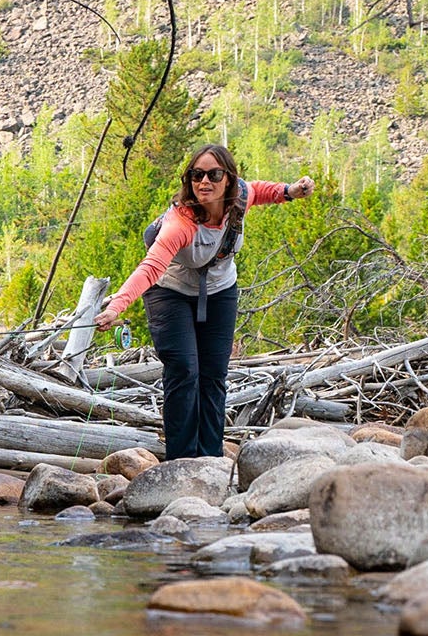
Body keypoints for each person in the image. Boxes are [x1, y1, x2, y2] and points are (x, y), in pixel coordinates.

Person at [93, 144, 315, 459]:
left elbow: (260, 191)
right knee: (184, 369)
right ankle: (181, 460)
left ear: (228, 179)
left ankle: (210, 460)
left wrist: (290, 191)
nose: (204, 182)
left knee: (213, 373)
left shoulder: (239, 195)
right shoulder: (180, 223)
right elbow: (151, 267)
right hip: (169, 290)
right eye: (197, 175)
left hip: (219, 290)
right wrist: (117, 306)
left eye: (214, 174)